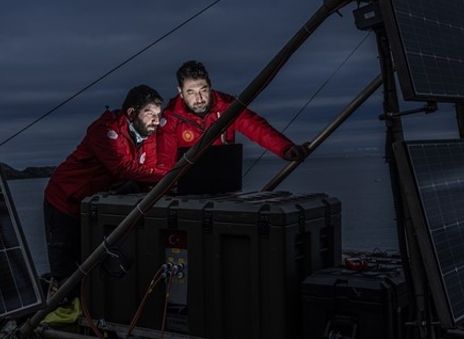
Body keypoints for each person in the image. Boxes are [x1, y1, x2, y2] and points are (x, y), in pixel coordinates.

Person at [42, 84, 167, 284]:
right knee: (65, 260)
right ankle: (61, 307)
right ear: (132, 113)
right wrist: (170, 175)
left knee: (91, 260)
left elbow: (147, 171)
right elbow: (122, 168)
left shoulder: (148, 136)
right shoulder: (105, 130)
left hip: (92, 205)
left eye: (158, 114)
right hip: (65, 199)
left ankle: (86, 302)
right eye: (149, 113)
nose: (156, 120)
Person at [155, 59, 306, 169]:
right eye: (191, 92)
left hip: (223, 187)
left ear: (210, 86)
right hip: (186, 192)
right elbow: (164, 160)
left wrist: (285, 148)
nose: (199, 99)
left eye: (203, 90)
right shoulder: (171, 118)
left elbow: (256, 127)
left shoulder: (227, 106)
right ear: (180, 92)